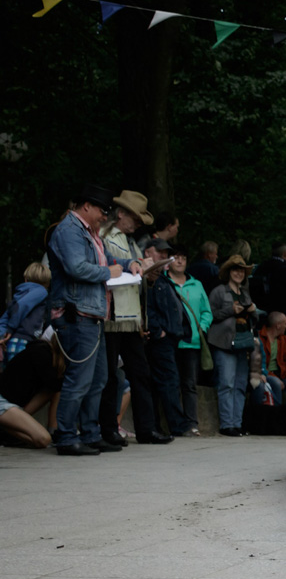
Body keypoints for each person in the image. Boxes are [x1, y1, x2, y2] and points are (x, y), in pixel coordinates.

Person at [46, 185, 146, 455]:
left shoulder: (89, 232)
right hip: (76, 314)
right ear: (86, 206)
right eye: (102, 211)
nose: (105, 216)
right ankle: (66, 437)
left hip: (92, 314)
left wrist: (128, 264)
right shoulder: (69, 231)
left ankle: (90, 434)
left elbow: (108, 258)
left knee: (98, 378)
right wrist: (108, 272)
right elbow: (76, 268)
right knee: (79, 379)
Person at [98, 189, 170, 446]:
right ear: (121, 214)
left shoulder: (131, 242)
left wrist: (148, 275)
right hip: (111, 315)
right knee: (110, 376)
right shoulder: (104, 236)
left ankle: (146, 429)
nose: (138, 224)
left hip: (130, 317)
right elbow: (105, 269)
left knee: (140, 372)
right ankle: (108, 429)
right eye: (135, 218)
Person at [142, 237, 191, 436]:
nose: (164, 256)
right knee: (168, 381)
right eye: (160, 252)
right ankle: (177, 426)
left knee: (165, 381)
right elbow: (146, 306)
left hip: (169, 337)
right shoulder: (150, 278)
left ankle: (162, 426)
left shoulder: (161, 278)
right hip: (160, 339)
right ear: (147, 252)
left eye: (166, 253)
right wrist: (157, 331)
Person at [208, 254, 258, 436]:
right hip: (224, 343)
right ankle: (227, 425)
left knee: (240, 385)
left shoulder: (245, 293)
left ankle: (237, 424)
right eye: (235, 270)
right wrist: (230, 310)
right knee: (227, 384)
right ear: (229, 272)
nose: (239, 273)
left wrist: (253, 310)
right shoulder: (218, 291)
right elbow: (210, 315)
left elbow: (255, 320)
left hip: (243, 344)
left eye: (242, 271)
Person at [167, 244, 213, 436]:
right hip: (170, 341)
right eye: (175, 257)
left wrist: (201, 328)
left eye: (183, 258)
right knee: (171, 383)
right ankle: (174, 424)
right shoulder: (164, 282)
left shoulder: (197, 284)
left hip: (192, 342)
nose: (179, 261)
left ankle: (192, 423)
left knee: (189, 384)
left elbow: (207, 312)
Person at [0, 336, 64, 449]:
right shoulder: (41, 352)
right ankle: (4, 430)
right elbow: (56, 384)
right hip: (3, 401)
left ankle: (54, 432)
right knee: (44, 439)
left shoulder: (53, 358)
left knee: (54, 390)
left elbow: (55, 388)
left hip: (13, 403)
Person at [0, 262, 51, 369]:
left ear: (26, 279)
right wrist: (11, 328)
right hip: (23, 342)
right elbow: (22, 305)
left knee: (10, 376)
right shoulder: (41, 291)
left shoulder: (19, 295)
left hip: (11, 343)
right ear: (47, 282)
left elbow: (4, 318)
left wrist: (3, 335)